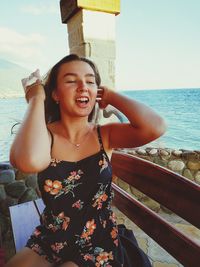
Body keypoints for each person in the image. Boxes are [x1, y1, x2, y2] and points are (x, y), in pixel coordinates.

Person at [6, 54, 166, 267]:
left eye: (90, 81)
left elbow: (156, 127)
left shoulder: (105, 135)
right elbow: (27, 162)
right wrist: (36, 98)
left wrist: (112, 96)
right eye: (71, 81)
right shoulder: (45, 136)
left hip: (98, 241)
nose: (83, 86)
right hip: (52, 239)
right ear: (55, 94)